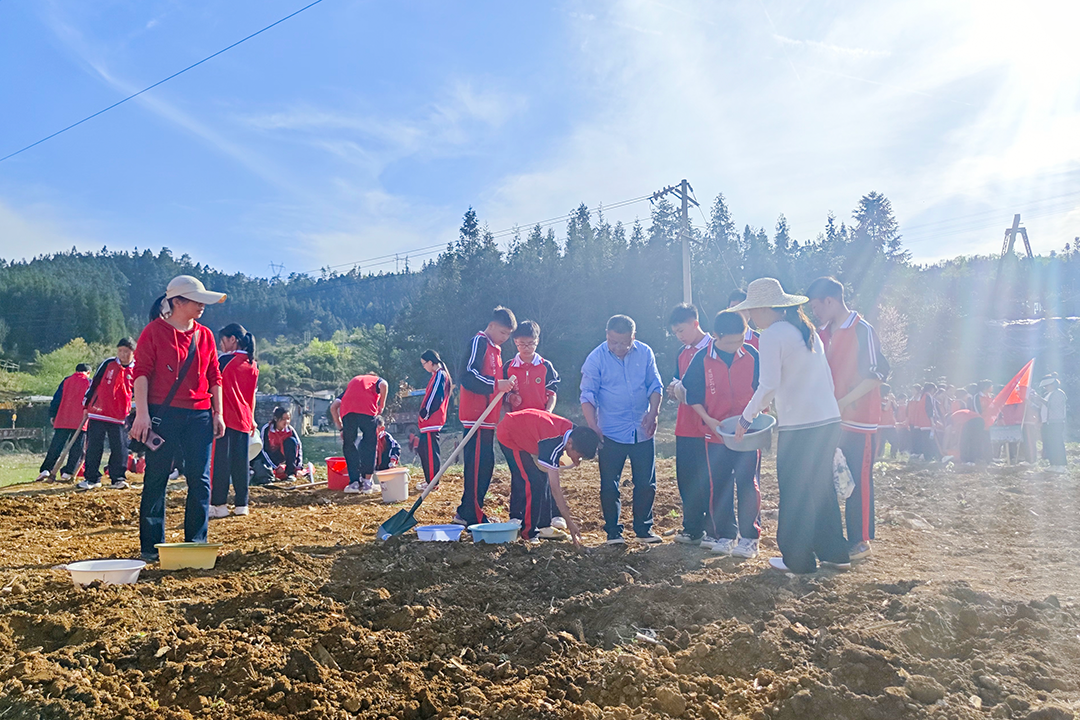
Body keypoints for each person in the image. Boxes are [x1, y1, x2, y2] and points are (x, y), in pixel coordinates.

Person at [731, 278, 849, 574]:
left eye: (753, 310)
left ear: (765, 309)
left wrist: (746, 418)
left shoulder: (772, 334)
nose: (751, 317)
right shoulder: (806, 330)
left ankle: (797, 559)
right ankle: (834, 552)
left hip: (801, 426)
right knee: (821, 489)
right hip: (827, 419)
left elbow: (768, 383)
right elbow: (823, 378)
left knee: (795, 490)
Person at [131, 275, 226, 563]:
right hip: (164, 413)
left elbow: (214, 376)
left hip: (199, 414)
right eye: (198, 301)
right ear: (178, 302)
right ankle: (151, 547)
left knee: (200, 478)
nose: (202, 306)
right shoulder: (154, 332)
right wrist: (143, 413)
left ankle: (196, 541)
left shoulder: (205, 335)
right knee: (156, 478)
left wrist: (218, 413)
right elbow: (142, 373)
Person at [807, 277, 890, 562]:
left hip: (860, 420)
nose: (815, 313)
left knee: (859, 478)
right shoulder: (821, 334)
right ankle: (835, 538)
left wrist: (842, 402)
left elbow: (877, 373)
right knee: (832, 479)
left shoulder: (861, 329)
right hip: (831, 420)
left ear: (830, 301)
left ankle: (861, 540)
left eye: (816, 306)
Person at [580, 314, 664, 545]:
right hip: (610, 431)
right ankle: (613, 533)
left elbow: (655, 385)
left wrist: (653, 412)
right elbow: (588, 394)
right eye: (612, 341)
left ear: (633, 337)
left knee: (646, 483)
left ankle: (644, 529)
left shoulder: (645, 353)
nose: (617, 347)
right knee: (609, 484)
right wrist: (593, 426)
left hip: (642, 429)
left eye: (623, 342)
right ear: (607, 336)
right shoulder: (596, 358)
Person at [684, 310, 762, 558]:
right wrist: (708, 420)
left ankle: (750, 537)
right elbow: (692, 394)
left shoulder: (752, 355)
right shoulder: (701, 359)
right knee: (719, 484)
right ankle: (725, 534)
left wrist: (754, 416)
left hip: (748, 433)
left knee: (748, 483)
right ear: (716, 336)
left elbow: (763, 391)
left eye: (741, 339)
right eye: (731, 341)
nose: (737, 345)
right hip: (716, 433)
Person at [496, 408, 599, 545]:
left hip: (530, 432)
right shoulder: (553, 443)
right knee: (533, 482)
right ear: (569, 444)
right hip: (510, 434)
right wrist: (569, 522)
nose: (578, 461)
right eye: (579, 456)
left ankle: (544, 525)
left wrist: (574, 457)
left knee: (541, 479)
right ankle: (528, 533)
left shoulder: (574, 433)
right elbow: (555, 488)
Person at [454, 307, 517, 526]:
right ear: (491, 326)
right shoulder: (479, 342)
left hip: (488, 419)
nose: (505, 338)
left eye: (508, 334)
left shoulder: (496, 350)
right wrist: (495, 384)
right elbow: (467, 375)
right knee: (477, 466)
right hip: (476, 417)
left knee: (485, 465)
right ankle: (470, 513)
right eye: (503, 332)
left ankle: (468, 509)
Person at [665, 303, 713, 547]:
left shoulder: (713, 350)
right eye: (675, 332)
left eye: (682, 330)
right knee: (686, 479)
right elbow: (676, 381)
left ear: (696, 323)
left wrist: (681, 390)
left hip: (706, 426)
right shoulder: (683, 352)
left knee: (709, 479)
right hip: (684, 426)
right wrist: (674, 390)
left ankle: (714, 528)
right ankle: (692, 528)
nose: (679, 336)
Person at [209, 324, 258, 518]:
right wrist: (252, 417)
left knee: (220, 462)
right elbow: (251, 395)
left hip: (225, 418)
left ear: (233, 340)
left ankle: (219, 504)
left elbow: (211, 385)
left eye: (223, 340)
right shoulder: (252, 363)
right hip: (244, 418)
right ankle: (241, 504)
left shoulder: (224, 360)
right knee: (241, 463)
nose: (221, 344)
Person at [78, 339, 136, 490]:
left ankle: (118, 478)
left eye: (126, 352)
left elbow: (138, 390)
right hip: (99, 411)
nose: (123, 355)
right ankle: (91, 478)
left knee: (120, 447)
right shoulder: (108, 363)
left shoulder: (137, 369)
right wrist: (86, 404)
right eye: (120, 351)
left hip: (120, 415)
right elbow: (94, 383)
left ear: (133, 353)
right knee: (94, 446)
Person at [330, 373, 389, 493]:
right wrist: (381, 405)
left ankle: (354, 483)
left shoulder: (351, 387)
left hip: (348, 412)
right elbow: (384, 384)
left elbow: (333, 407)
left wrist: (341, 428)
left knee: (349, 445)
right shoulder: (375, 380)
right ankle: (367, 483)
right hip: (367, 411)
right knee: (369, 443)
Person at [36, 364, 92, 482]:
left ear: (75, 371)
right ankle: (68, 472)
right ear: (88, 372)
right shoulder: (89, 382)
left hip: (63, 418)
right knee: (77, 447)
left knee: (56, 445)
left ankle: (46, 469)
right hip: (80, 420)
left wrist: (53, 414)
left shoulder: (66, 380)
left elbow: (57, 398)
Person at [417, 349, 452, 492]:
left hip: (432, 420)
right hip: (428, 422)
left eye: (424, 364)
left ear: (431, 362)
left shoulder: (440, 375)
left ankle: (433, 482)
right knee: (423, 450)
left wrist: (425, 413)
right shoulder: (436, 375)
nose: (424, 367)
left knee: (430, 452)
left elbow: (436, 396)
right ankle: (429, 480)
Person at [254, 407, 304, 484]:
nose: (286, 422)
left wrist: (298, 468)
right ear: (276, 419)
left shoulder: (290, 430)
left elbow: (298, 447)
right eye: (283, 419)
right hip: (270, 457)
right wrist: (275, 467)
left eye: (288, 419)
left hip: (283, 455)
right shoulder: (267, 429)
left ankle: (290, 473)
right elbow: (263, 450)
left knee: (292, 441)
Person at [1040, 375, 1068, 472]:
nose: (1045, 388)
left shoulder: (1058, 394)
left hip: (1055, 423)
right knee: (1049, 443)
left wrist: (1038, 399)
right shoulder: (1048, 394)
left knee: (1057, 443)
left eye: (1047, 385)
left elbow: (1052, 406)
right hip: (1047, 423)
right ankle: (1053, 463)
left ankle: (1061, 465)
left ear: (1053, 385)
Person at [875, 384, 899, 460]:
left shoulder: (889, 400)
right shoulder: (878, 399)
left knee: (895, 441)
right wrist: (889, 400)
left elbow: (896, 408)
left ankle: (893, 456)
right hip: (881, 425)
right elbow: (885, 408)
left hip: (890, 424)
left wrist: (893, 400)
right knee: (880, 443)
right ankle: (877, 457)